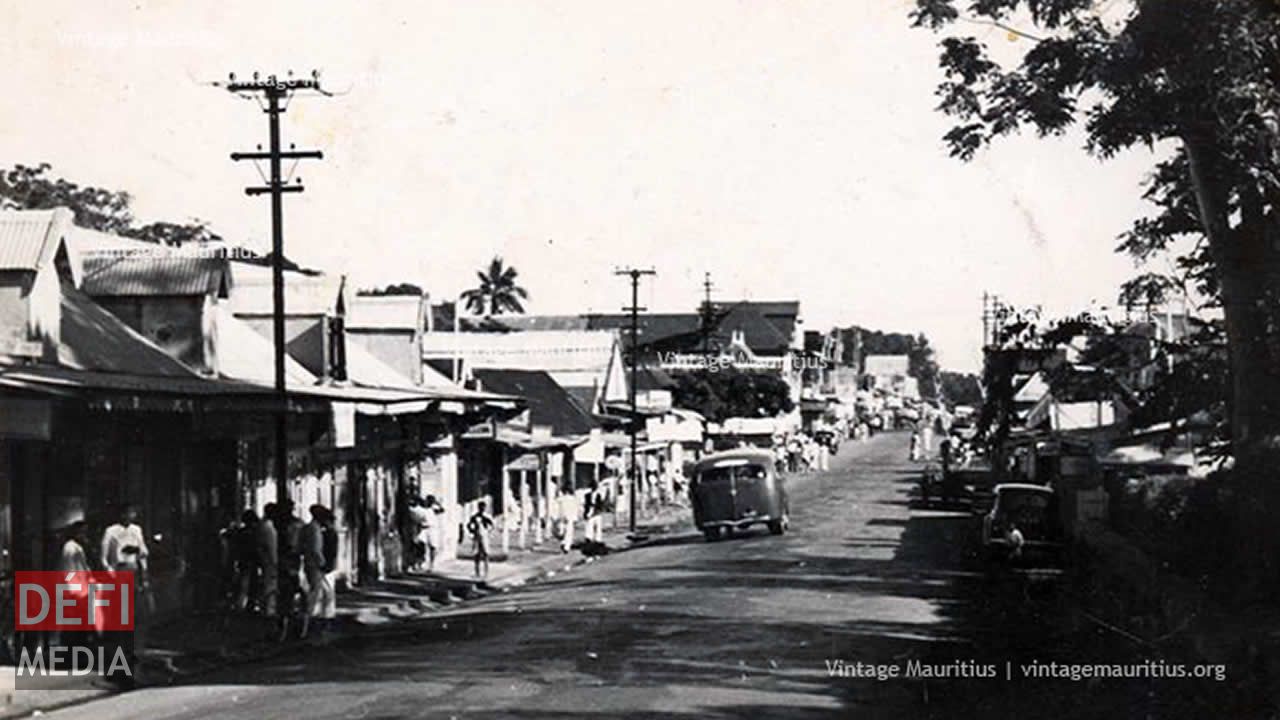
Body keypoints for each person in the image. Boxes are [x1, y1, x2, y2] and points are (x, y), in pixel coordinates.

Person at [100, 505, 150, 685]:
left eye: (133, 513)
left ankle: (130, 668)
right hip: (119, 575)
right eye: (128, 512)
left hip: (133, 575)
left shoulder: (137, 530)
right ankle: (117, 669)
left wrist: (144, 578)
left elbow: (143, 553)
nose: (131, 516)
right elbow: (104, 559)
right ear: (121, 513)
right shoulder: (111, 532)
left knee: (133, 625)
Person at [300, 505, 337, 640]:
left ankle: (320, 622)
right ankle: (310, 624)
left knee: (323, 592)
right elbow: (316, 550)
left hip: (310, 564)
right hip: (315, 566)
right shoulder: (314, 530)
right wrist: (323, 564)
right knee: (315, 594)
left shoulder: (308, 528)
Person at [274, 501, 306, 641]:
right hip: (291, 561)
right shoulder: (297, 524)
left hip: (288, 561)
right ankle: (290, 625)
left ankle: (287, 625)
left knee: (286, 594)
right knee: (289, 594)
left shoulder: (280, 524)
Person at [256, 503, 279, 619]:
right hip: (269, 561)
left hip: (265, 560)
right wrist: (275, 562)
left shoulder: (262, 525)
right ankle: (269, 610)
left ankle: (265, 608)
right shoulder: (268, 528)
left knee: (267, 585)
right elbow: (271, 547)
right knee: (270, 586)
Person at [413, 495, 445, 572]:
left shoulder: (433, 509)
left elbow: (442, 510)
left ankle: (431, 564)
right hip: (423, 528)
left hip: (432, 529)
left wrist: (437, 503)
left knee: (433, 547)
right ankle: (420, 562)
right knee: (420, 544)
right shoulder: (420, 509)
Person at [467, 502, 494, 579]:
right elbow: (469, 525)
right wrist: (472, 531)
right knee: (476, 554)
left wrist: (489, 531)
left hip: (484, 536)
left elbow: (492, 525)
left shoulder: (487, 517)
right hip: (477, 536)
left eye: (483, 507)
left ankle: (486, 572)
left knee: (486, 554)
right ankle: (477, 572)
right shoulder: (474, 517)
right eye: (480, 507)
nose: (482, 509)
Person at [558, 485, 579, 554]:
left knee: (562, 532)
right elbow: (576, 509)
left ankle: (564, 543)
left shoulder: (561, 499)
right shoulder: (574, 499)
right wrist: (576, 518)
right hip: (570, 517)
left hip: (563, 517)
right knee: (569, 533)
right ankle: (566, 546)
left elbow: (559, 508)